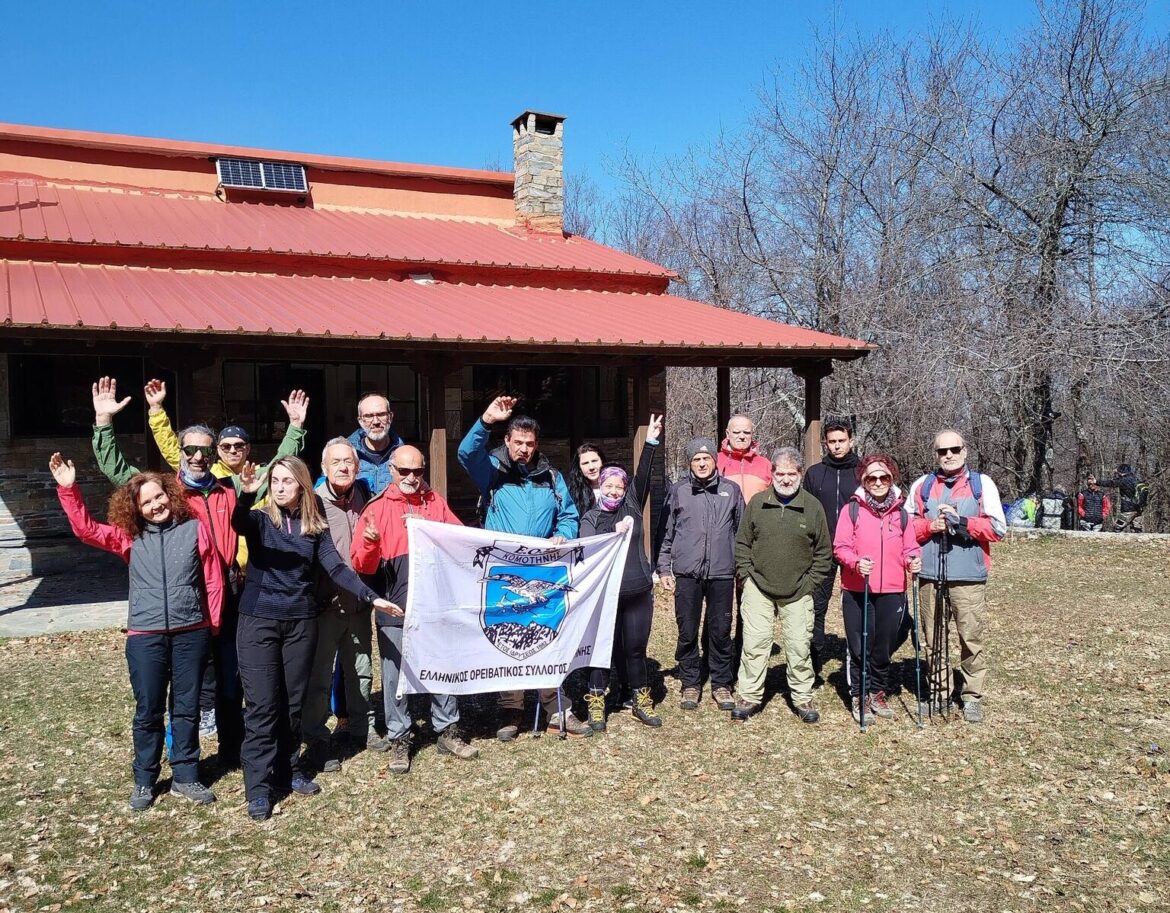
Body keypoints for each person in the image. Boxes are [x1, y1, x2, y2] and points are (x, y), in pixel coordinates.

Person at [50, 453, 223, 811]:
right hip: (145, 635)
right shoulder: (128, 538)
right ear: (136, 508)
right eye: (146, 501)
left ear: (170, 495)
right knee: (148, 709)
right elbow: (86, 530)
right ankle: (145, 780)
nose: (155, 504)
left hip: (191, 630)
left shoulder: (194, 529)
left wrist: (214, 623)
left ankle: (186, 776)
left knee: (187, 707)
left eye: (159, 496)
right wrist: (69, 490)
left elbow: (212, 578)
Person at [90, 376, 245, 767]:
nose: (197, 457)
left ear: (215, 456)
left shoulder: (228, 490)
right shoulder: (163, 492)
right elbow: (116, 468)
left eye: (205, 452)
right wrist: (103, 423)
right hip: (183, 600)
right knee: (182, 685)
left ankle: (230, 751)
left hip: (227, 592)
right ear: (180, 452)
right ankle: (179, 758)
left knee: (229, 681)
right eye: (189, 450)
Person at [231, 456, 397, 821]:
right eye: (273, 480)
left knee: (293, 703)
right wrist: (244, 495)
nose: (278, 487)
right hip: (259, 622)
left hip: (300, 623)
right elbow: (238, 522)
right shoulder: (259, 520)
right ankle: (258, 787)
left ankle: (288, 771)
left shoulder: (314, 527)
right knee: (262, 707)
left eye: (286, 481)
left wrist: (373, 597)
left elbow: (336, 567)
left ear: (302, 486)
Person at [457, 395, 586, 740]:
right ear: (507, 442)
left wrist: (564, 533)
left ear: (537, 444)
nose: (524, 449)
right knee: (509, 636)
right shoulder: (493, 473)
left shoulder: (552, 478)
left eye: (530, 444)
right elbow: (466, 454)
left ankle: (556, 707)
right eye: (518, 443)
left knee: (544, 636)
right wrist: (486, 420)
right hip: (504, 572)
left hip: (543, 572)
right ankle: (510, 708)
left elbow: (569, 515)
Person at [351, 444, 478, 772]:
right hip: (395, 604)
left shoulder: (435, 502)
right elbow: (361, 565)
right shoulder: (376, 508)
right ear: (391, 470)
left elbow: (460, 540)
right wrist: (368, 541)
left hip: (435, 603)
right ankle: (400, 737)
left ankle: (447, 728)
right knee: (395, 675)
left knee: (442, 666)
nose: (411, 477)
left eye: (417, 471)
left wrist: (424, 523)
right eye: (404, 471)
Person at [907, 430, 1006, 723]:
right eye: (942, 451)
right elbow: (906, 527)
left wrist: (962, 522)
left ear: (965, 451)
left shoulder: (981, 484)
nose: (948, 455)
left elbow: (998, 529)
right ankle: (938, 693)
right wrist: (930, 527)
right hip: (929, 574)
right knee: (932, 637)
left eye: (954, 449)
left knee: (970, 637)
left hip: (968, 576)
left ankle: (971, 696)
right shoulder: (922, 486)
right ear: (934, 454)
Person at [732, 447, 832, 723]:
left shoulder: (812, 507)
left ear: (800, 474)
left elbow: (824, 552)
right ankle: (749, 695)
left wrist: (810, 583)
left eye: (792, 473)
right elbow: (742, 543)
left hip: (798, 590)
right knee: (754, 644)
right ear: (772, 473)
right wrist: (746, 576)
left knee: (799, 646)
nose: (786, 479)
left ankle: (802, 697)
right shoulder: (757, 503)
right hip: (759, 587)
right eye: (780, 473)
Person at [300, 438, 381, 775]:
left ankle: (364, 728)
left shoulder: (366, 497)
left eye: (349, 461)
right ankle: (317, 737)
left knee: (361, 669)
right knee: (319, 677)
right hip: (325, 606)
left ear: (358, 466)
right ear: (324, 469)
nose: (344, 468)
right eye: (337, 463)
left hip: (359, 602)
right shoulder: (312, 504)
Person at [580, 415, 663, 730]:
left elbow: (643, 473)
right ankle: (597, 702)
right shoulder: (591, 517)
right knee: (602, 651)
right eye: (609, 486)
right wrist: (613, 532)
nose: (614, 491)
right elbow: (587, 546)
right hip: (606, 596)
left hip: (638, 591)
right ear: (600, 488)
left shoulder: (632, 506)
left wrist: (652, 441)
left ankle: (641, 701)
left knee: (635, 649)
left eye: (619, 486)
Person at [832, 454, 921, 723]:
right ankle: (859, 694)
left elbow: (910, 547)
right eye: (872, 478)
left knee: (884, 644)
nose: (878, 482)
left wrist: (913, 560)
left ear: (892, 479)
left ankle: (877, 691)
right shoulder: (852, 510)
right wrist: (856, 563)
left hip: (892, 588)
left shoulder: (902, 513)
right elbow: (841, 547)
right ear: (864, 481)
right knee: (859, 645)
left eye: (884, 477)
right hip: (858, 587)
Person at [657, 438, 742, 712]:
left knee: (720, 631)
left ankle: (721, 683)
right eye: (696, 460)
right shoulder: (679, 490)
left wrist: (741, 568)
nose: (702, 464)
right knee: (687, 630)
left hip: (722, 573)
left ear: (715, 461)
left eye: (706, 459)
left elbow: (742, 534)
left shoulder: (731, 490)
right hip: (687, 573)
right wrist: (663, 567)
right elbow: (666, 533)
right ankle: (690, 682)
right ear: (690, 463)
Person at [140, 378, 308, 498]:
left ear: (247, 448)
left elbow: (282, 459)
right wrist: (156, 409)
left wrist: (295, 425)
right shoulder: (204, 472)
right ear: (218, 450)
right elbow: (169, 447)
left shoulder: (257, 475)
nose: (233, 450)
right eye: (226, 446)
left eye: (239, 445)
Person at [802, 417, 861, 676]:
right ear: (825, 443)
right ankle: (812, 661)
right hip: (821, 550)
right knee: (816, 605)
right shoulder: (815, 473)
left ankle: (858, 661)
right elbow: (805, 512)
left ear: (851, 440)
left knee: (856, 604)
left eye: (841, 441)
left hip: (855, 549)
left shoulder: (863, 472)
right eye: (832, 442)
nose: (836, 446)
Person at [348, 393, 405, 495]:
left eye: (381, 414)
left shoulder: (404, 456)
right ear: (360, 421)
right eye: (369, 416)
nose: (375, 421)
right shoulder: (346, 454)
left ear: (390, 417)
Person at [717, 414, 771, 503]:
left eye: (746, 432)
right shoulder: (715, 462)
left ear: (752, 434)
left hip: (755, 516)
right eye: (736, 432)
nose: (742, 437)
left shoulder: (766, 465)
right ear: (727, 433)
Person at [1099, 464, 1147, 532]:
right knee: (1137, 529)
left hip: (1128, 510)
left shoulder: (1124, 480)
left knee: (1117, 528)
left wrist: (1097, 482)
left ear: (1121, 472)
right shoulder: (1136, 479)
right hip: (1138, 509)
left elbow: (1111, 483)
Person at [567, 443, 607, 518]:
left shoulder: (617, 486)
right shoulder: (573, 493)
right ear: (579, 468)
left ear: (602, 461)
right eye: (585, 463)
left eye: (594, 461)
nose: (591, 467)